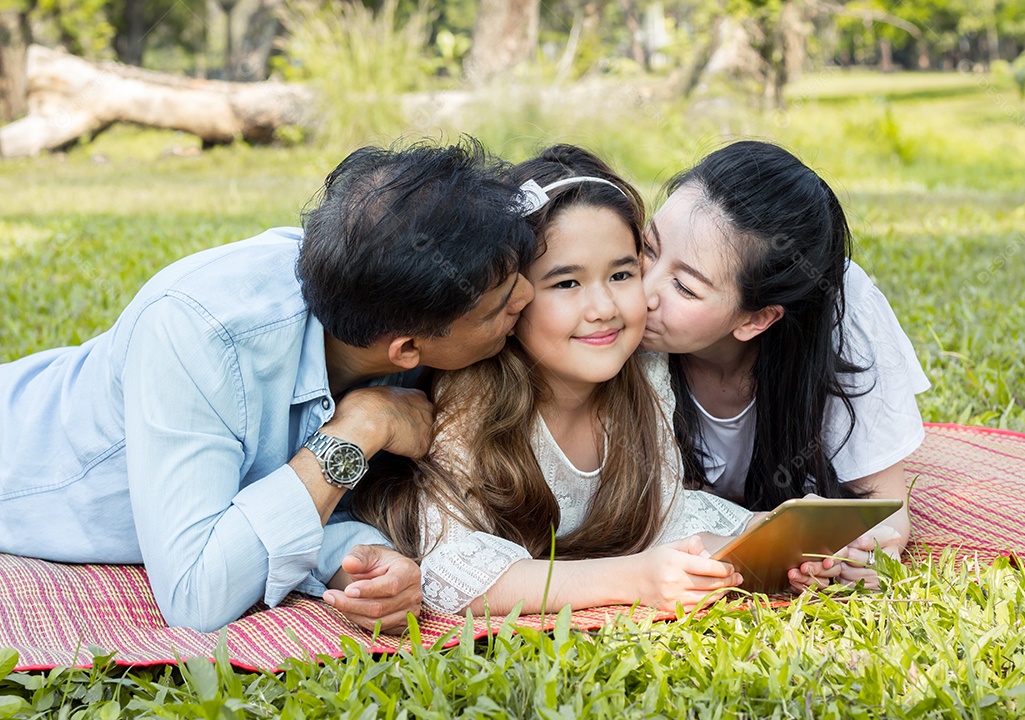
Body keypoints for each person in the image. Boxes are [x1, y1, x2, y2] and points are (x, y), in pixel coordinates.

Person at [0, 139, 536, 632]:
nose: (529, 296)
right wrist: (360, 427)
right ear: (406, 350)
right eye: (501, 302)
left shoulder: (382, 290)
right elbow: (196, 596)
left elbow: (272, 494)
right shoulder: (199, 333)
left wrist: (364, 561)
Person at [354, 145, 754, 616]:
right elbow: (452, 572)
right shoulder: (473, 391)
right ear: (513, 297)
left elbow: (664, 524)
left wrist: (785, 534)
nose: (603, 308)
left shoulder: (645, 372)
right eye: (567, 283)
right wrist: (634, 578)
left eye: (622, 274)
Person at [640, 140, 930, 591]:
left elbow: (883, 510)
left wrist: (857, 554)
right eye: (648, 247)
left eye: (684, 286)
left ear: (757, 318)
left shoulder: (845, 316)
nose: (643, 291)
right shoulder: (612, 301)